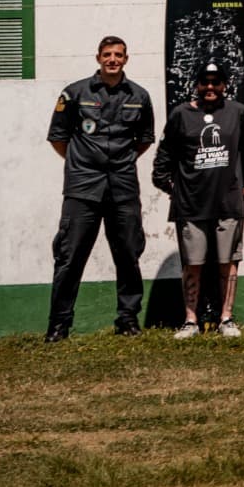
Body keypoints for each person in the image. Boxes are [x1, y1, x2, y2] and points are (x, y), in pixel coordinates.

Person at [44, 36, 156, 341]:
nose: (112, 60)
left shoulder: (139, 96)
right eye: (107, 54)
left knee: (128, 253)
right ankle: (59, 324)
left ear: (126, 59)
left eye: (118, 55)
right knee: (70, 256)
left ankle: (127, 319)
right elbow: (58, 137)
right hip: (83, 188)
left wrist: (119, 163)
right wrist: (82, 164)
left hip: (122, 186)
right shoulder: (75, 93)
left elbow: (144, 140)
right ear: (98, 58)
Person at [152, 61, 244, 339]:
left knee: (228, 261)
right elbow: (163, 159)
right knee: (193, 263)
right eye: (205, 82)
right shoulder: (181, 114)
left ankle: (226, 318)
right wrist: (172, 188)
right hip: (191, 204)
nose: (210, 87)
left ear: (225, 85)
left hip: (228, 202)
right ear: (197, 85)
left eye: (216, 82)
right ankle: (191, 320)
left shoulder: (238, 112)